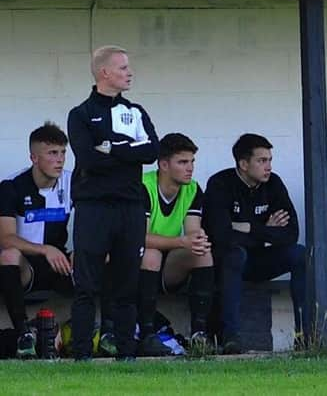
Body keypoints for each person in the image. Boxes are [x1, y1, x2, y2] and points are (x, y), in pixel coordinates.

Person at [67, 45, 160, 361]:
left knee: (126, 284)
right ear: (104, 72)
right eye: (122, 68)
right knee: (86, 285)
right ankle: (81, 354)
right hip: (93, 208)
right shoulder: (80, 114)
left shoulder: (135, 112)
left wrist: (113, 147)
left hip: (130, 208)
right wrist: (124, 150)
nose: (129, 73)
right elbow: (89, 158)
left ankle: (126, 352)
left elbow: (151, 151)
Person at [203, 133, 307, 354]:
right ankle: (230, 337)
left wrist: (248, 227)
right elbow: (221, 237)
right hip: (226, 264)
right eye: (261, 161)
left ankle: (305, 336)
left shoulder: (274, 183)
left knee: (300, 254)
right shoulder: (220, 184)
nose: (268, 167)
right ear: (243, 164)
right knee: (235, 254)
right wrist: (267, 229)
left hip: (258, 259)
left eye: (269, 160)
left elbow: (291, 233)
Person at [0, 122, 73, 359]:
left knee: (103, 253)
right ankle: (24, 335)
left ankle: (103, 334)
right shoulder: (12, 186)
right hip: (26, 267)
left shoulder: (73, 183)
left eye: (63, 152)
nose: (60, 160)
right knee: (8, 254)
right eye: (52, 153)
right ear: (34, 157)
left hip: (59, 263)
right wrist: (44, 250)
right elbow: (5, 237)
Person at [137, 133, 214, 356]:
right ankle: (147, 334)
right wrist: (181, 241)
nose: (190, 168)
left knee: (202, 253)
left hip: (167, 265)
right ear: (163, 165)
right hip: (135, 265)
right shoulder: (144, 185)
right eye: (182, 162)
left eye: (192, 162)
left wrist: (196, 240)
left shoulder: (192, 189)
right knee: (151, 253)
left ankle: (200, 334)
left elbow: (192, 231)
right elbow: (138, 237)